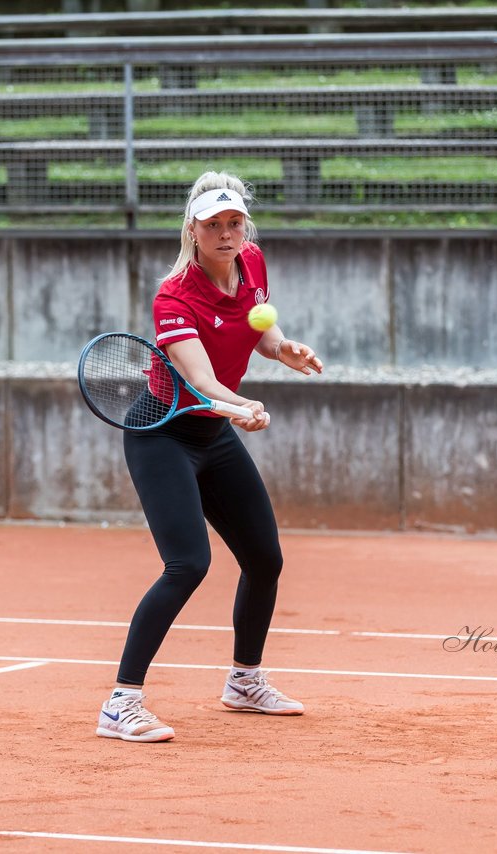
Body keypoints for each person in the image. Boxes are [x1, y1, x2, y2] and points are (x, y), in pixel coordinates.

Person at [96, 171, 324, 743]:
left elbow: (255, 328)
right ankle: (121, 703)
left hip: (212, 435)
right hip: (162, 432)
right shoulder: (173, 295)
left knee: (264, 558)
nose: (226, 234)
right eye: (213, 226)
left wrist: (283, 350)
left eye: (234, 223)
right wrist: (242, 404)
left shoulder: (252, 263)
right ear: (192, 232)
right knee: (187, 564)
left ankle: (244, 681)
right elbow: (200, 379)